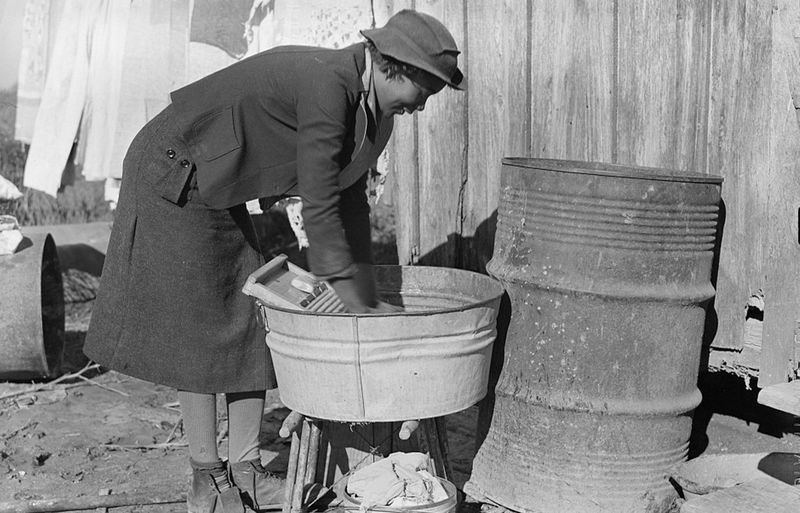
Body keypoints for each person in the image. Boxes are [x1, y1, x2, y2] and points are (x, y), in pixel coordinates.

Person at [83, 9, 464, 513]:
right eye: (425, 93)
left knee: (250, 318)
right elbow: (320, 203)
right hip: (176, 167)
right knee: (200, 326)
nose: (422, 107)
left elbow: (348, 202)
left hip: (220, 183)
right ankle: (208, 483)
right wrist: (350, 302)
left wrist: (362, 296)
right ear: (396, 68)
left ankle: (246, 471)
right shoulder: (330, 85)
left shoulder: (377, 118)